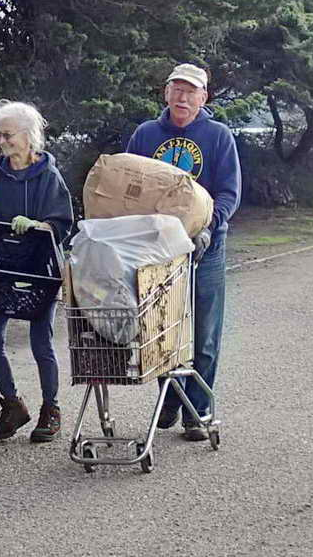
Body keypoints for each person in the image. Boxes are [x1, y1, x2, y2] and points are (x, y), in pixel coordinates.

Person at [125, 63, 241, 442]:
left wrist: (209, 226)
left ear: (203, 98)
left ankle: (199, 409)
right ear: (166, 93)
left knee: (205, 332)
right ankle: (171, 401)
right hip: (159, 249)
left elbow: (229, 191)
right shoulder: (146, 135)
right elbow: (130, 182)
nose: (183, 97)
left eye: (191, 91)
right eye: (177, 89)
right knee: (163, 328)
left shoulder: (218, 136)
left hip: (206, 247)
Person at [0, 100, 74, 442]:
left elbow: (62, 222)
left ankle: (50, 408)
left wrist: (39, 225)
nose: (2, 142)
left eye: (7, 135)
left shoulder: (49, 176)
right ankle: (12, 404)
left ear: (28, 135)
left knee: (42, 341)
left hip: (40, 268)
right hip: (3, 269)